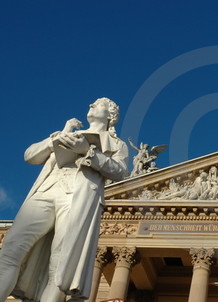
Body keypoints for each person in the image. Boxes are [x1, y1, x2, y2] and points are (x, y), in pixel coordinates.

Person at [0, 97, 129, 302]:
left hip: (76, 197)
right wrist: (58, 138)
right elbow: (30, 155)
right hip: (46, 191)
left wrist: (87, 152)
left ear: (110, 116)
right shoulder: (65, 133)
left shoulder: (116, 144)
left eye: (98, 104)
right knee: (10, 250)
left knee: (60, 265)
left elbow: (121, 172)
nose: (91, 105)